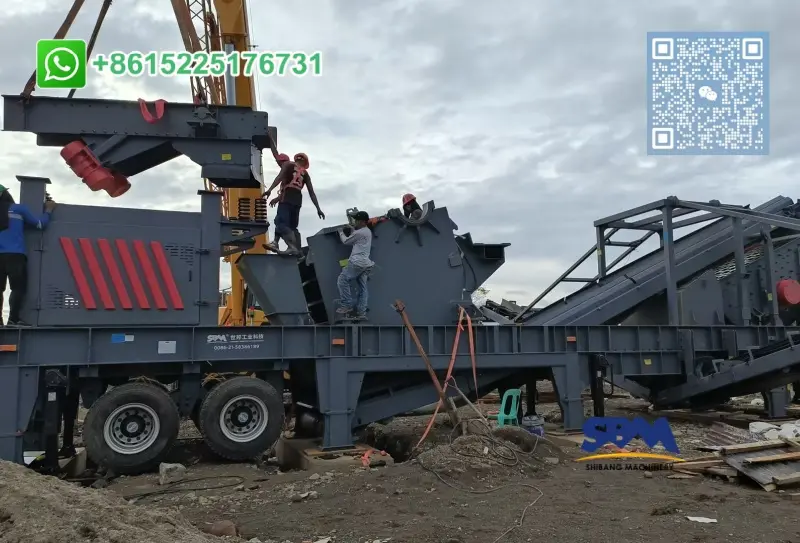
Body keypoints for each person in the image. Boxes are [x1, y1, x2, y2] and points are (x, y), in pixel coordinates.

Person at [0, 185, 56, 326]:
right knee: (17, 288)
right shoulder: (18, 209)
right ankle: (13, 319)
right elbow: (39, 224)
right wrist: (48, 210)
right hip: (15, 255)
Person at [261, 153, 324, 255]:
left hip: (287, 197)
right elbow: (312, 193)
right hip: (297, 200)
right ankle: (291, 249)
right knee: (291, 226)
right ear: (304, 162)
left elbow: (279, 177)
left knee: (281, 222)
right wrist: (318, 209)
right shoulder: (305, 174)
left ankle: (291, 247)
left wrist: (270, 189)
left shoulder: (288, 165)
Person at [336, 211, 374, 320]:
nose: (354, 222)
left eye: (356, 220)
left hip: (356, 262)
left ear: (362, 222)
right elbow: (356, 237)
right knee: (363, 288)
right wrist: (352, 229)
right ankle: (361, 312)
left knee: (342, 280)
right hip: (366, 264)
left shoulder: (360, 233)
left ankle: (347, 305)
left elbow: (346, 241)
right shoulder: (367, 232)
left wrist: (340, 232)